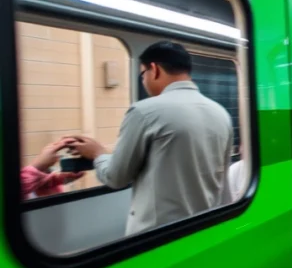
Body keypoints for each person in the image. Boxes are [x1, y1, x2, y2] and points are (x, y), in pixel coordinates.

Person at [69, 41, 234, 236]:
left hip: (157, 236)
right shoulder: (221, 113)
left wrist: (98, 154)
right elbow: (222, 182)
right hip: (206, 227)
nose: (144, 81)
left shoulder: (144, 111)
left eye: (142, 74)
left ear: (154, 69)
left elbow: (116, 178)